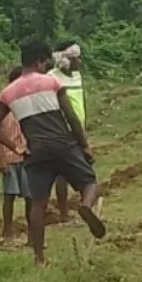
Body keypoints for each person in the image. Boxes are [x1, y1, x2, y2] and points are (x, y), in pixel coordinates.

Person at [0, 39, 107, 267]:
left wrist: (16, 147)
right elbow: (71, 117)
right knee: (90, 182)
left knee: (37, 203)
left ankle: (39, 258)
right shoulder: (52, 82)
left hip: (36, 151)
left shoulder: (7, 92)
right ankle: (85, 205)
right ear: (39, 62)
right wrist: (84, 145)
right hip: (63, 144)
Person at [49, 42, 85, 219]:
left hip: (79, 128)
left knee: (83, 169)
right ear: (66, 60)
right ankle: (63, 211)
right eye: (76, 58)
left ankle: (85, 207)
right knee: (62, 173)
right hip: (63, 130)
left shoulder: (77, 76)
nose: (80, 61)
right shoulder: (52, 77)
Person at [0, 67, 31, 245]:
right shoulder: (1, 103)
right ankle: (7, 230)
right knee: (9, 196)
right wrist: (1, 159)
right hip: (9, 157)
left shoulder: (28, 102)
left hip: (26, 156)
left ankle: (33, 232)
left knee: (30, 197)